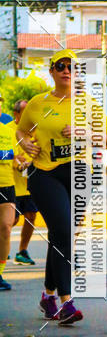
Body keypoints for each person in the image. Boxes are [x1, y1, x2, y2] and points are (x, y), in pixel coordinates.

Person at [16, 50, 107, 324]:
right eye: (60, 66)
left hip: (79, 173)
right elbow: (21, 130)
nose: (66, 70)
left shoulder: (89, 104)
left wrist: (83, 132)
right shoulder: (37, 103)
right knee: (64, 229)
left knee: (64, 234)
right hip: (45, 173)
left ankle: (48, 295)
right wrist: (24, 142)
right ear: (52, 71)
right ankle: (66, 301)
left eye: (72, 66)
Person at [11, 99, 37, 266]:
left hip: (31, 186)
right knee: (10, 221)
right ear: (16, 114)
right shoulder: (8, 131)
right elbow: (8, 155)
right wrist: (16, 161)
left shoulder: (37, 132)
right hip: (11, 185)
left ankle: (22, 251)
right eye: (25, 112)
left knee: (31, 216)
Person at [0, 93, 17, 291]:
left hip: (6, 184)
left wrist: (21, 162)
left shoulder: (8, 131)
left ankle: (0, 273)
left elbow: (17, 156)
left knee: (6, 227)